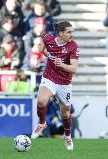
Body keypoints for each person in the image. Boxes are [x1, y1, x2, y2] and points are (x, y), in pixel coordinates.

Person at [31, 21, 79, 151]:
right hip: (49, 78)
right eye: (69, 32)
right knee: (41, 101)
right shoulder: (49, 39)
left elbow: (74, 68)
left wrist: (62, 65)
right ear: (61, 33)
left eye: (72, 32)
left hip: (64, 84)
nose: (71, 35)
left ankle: (68, 137)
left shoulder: (73, 46)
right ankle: (42, 123)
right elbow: (43, 47)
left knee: (65, 114)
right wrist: (44, 51)